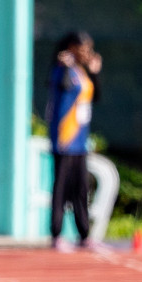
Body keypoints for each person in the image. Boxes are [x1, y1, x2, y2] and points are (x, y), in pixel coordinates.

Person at [46, 31, 101, 252]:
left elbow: (94, 97)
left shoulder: (82, 72)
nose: (87, 53)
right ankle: (56, 234)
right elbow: (63, 89)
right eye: (83, 48)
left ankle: (84, 235)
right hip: (65, 137)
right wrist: (66, 66)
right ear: (71, 47)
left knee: (81, 188)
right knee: (61, 187)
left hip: (81, 139)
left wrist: (95, 73)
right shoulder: (61, 70)